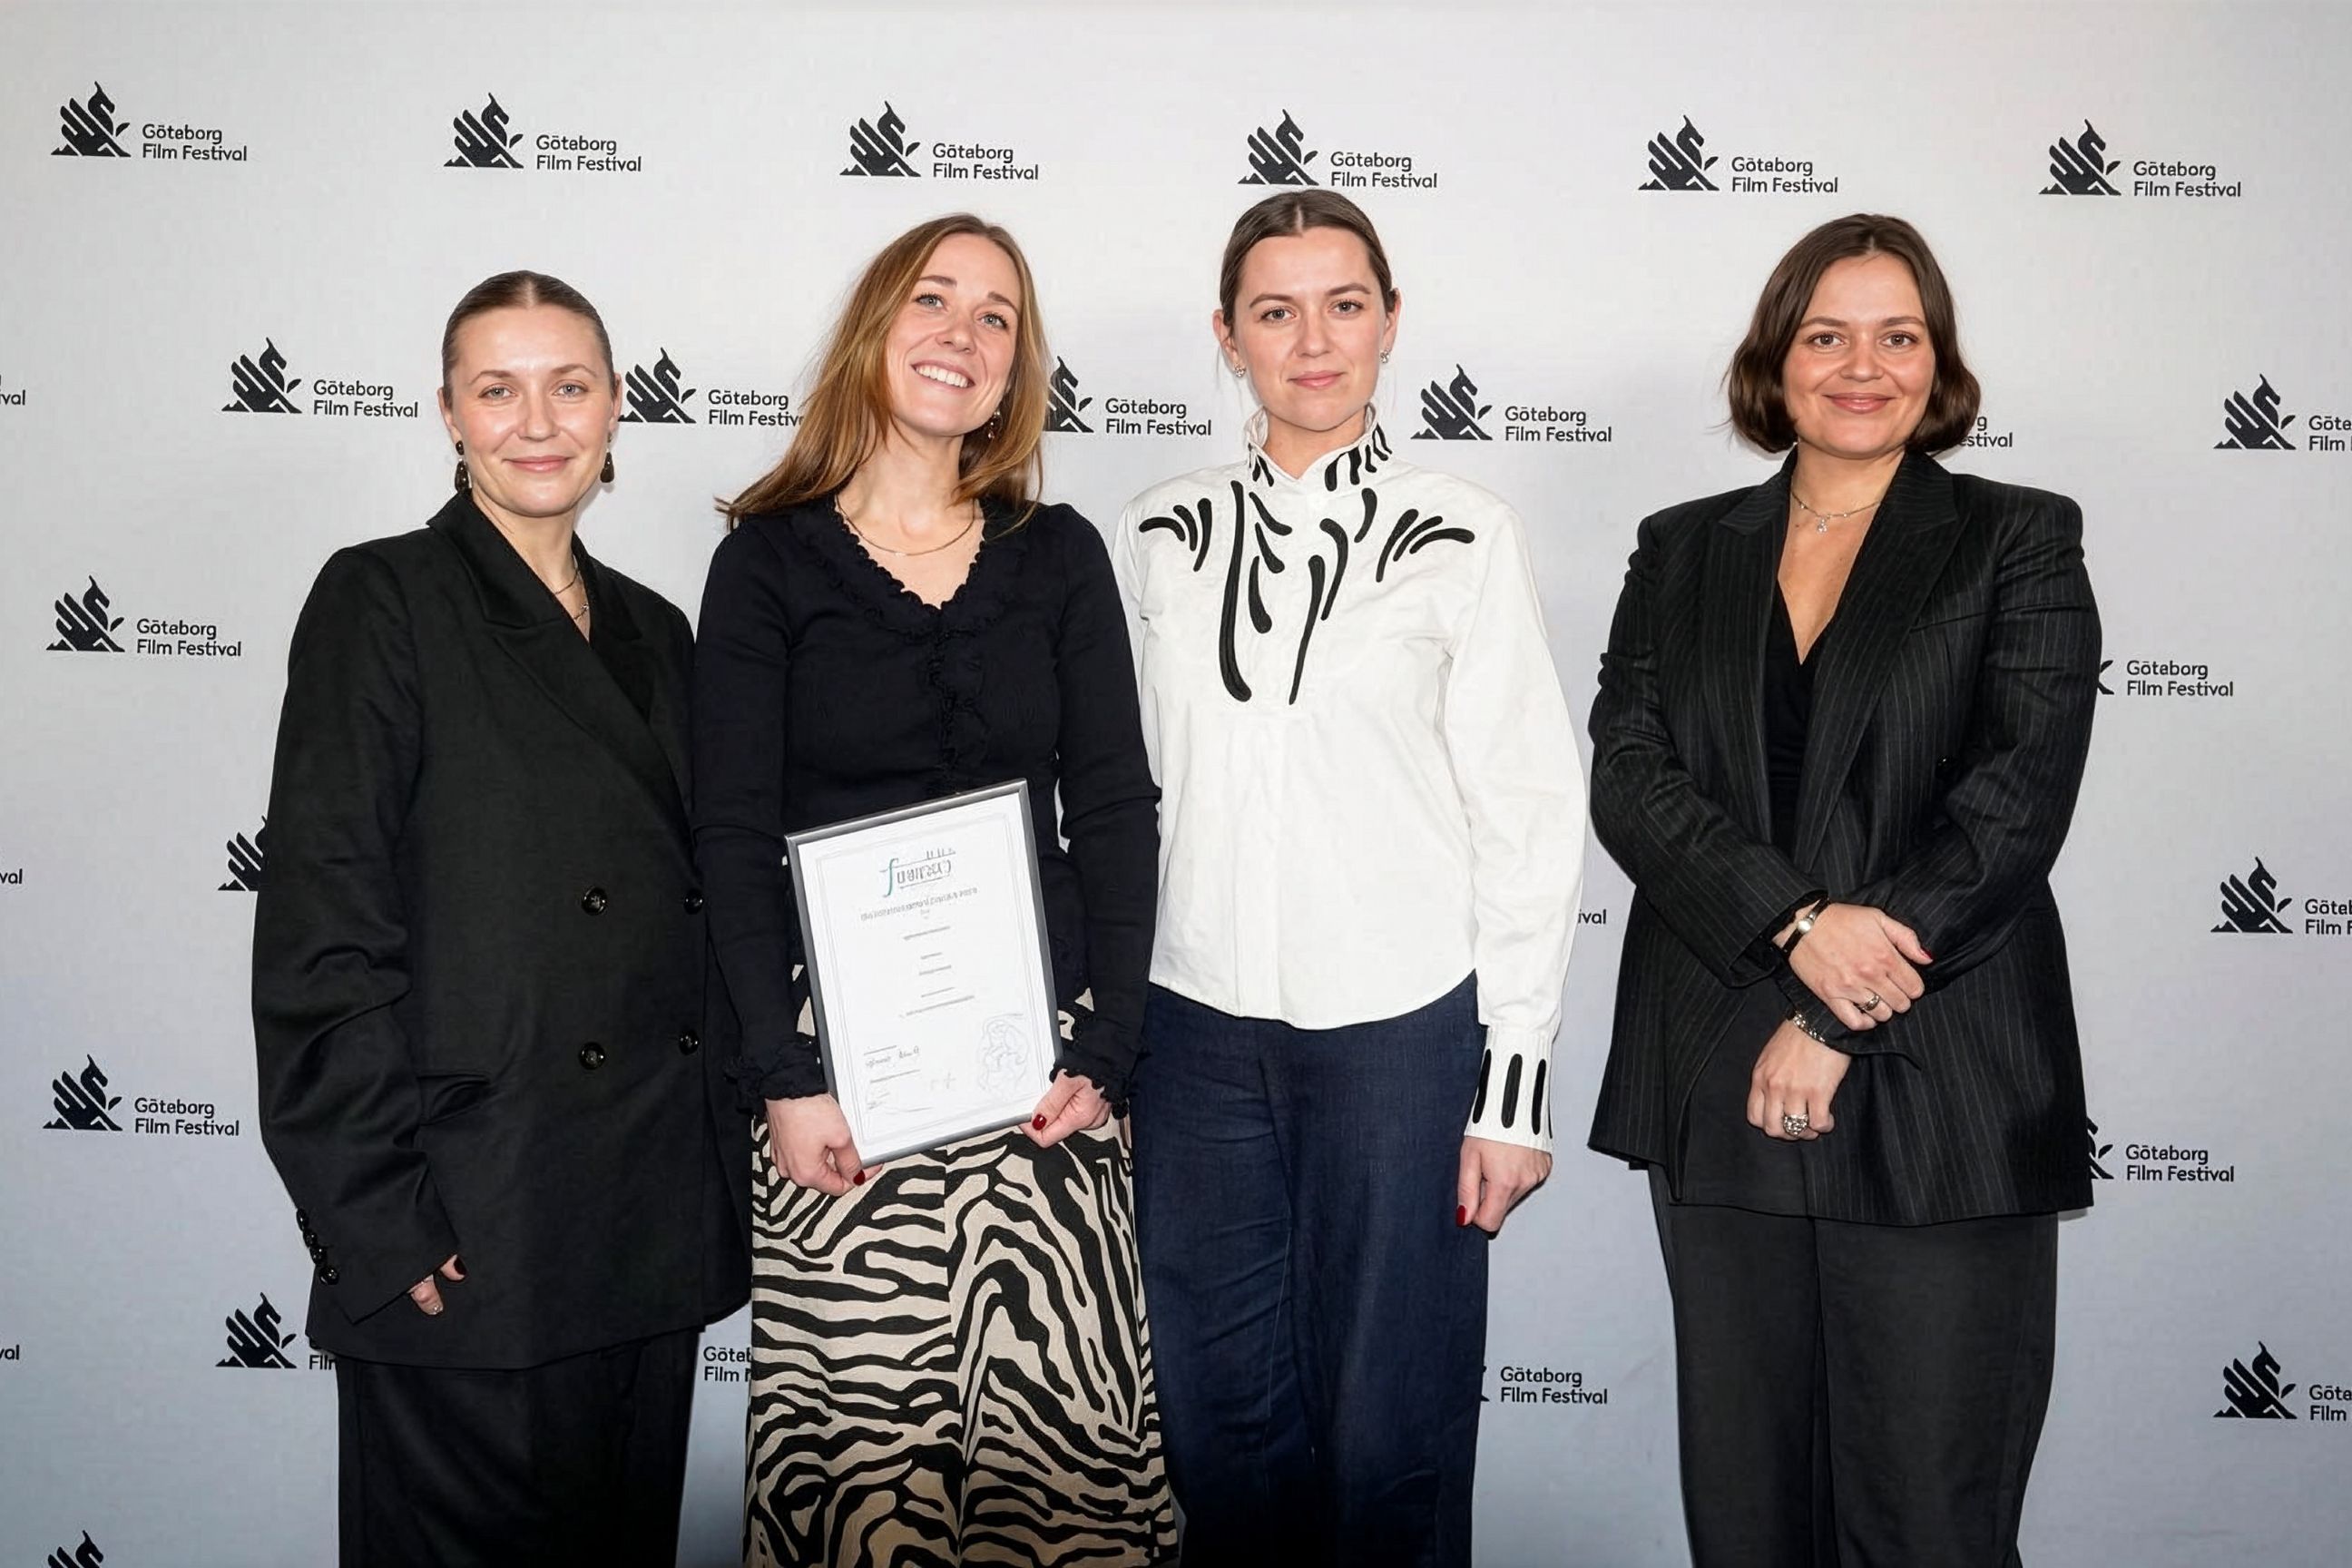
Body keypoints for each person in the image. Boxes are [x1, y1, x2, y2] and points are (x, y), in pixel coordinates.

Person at [1585, 213, 2102, 1566]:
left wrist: (1836, 1011)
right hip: (1718, 1058)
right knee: (1751, 1512)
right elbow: (1632, 779)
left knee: (1928, 1515)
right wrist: (1797, 928)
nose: (1860, 365)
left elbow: (2013, 803)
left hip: (1942, 1073)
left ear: (1939, 363)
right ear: (1777, 356)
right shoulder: (1681, 546)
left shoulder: (2018, 541)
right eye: (1826, 334)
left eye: (1897, 335)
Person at [691, 213, 1177, 1566]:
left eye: (997, 317)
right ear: (873, 330)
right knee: (865, 1489)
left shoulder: (1061, 551)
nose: (961, 335)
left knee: (1061, 1489)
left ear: (1019, 368)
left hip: (1046, 1080)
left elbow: (1120, 808)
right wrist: (785, 1081)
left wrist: (1113, 1049)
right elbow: (728, 837)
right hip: (844, 1083)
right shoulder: (767, 561)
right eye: (932, 301)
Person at [1113, 191, 1587, 1568]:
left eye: (1343, 305)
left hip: (1400, 1034)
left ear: (1389, 324)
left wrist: (1512, 1092)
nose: (1311, 340)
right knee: (1219, 1432)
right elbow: (1116, 797)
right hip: (1196, 1037)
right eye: (1275, 310)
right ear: (1226, 335)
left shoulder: (1465, 532)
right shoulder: (1155, 533)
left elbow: (1529, 813)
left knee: (1394, 1441)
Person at [251, 270, 747, 1567]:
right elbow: (322, 934)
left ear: (615, 408)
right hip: (469, 1230)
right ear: (450, 413)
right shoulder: (384, 599)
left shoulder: (657, 630)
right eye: (500, 389)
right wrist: (377, 1215)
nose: (539, 421)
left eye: (569, 386)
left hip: (643, 1228)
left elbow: (699, 918)